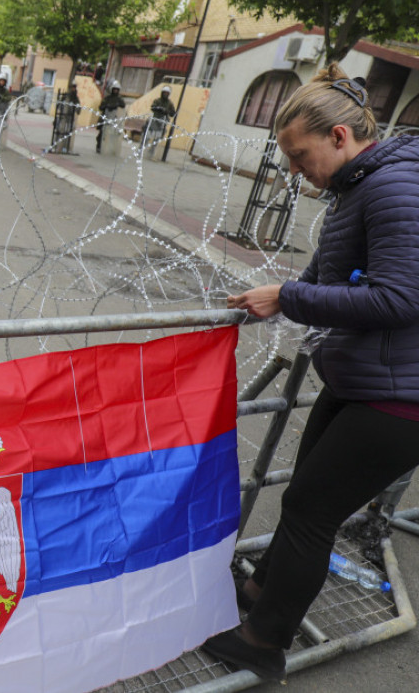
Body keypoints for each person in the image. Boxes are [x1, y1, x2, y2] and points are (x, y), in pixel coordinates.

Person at [206, 64, 419, 682]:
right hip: (362, 383)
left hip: (398, 399)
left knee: (309, 512)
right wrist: (283, 293)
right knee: (305, 497)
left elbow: (401, 299)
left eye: (301, 157)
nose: (296, 174)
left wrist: (290, 299)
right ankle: (264, 591)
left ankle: (263, 643)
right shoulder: (359, 187)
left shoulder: (391, 189)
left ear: (340, 137)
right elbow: (328, 278)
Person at [96, 80, 125, 154]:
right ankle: (99, 146)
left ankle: (111, 149)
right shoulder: (107, 98)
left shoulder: (119, 99)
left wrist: (116, 105)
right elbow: (101, 107)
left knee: (113, 135)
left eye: (117, 89)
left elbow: (123, 105)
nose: (115, 91)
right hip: (105, 117)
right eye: (114, 89)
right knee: (101, 134)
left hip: (114, 119)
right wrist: (107, 106)